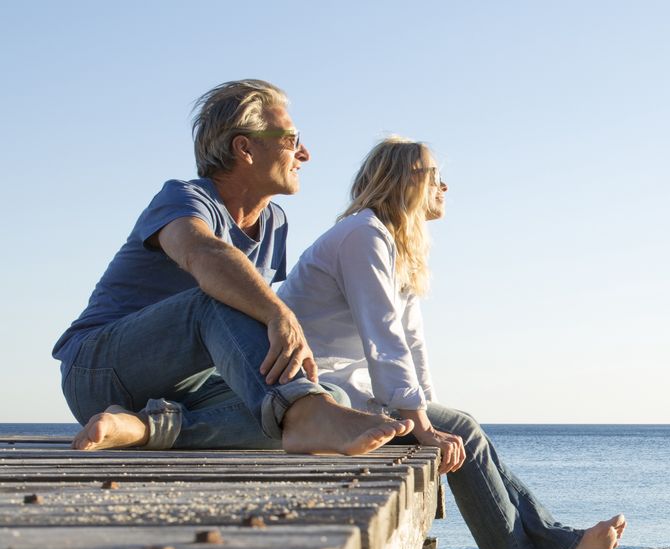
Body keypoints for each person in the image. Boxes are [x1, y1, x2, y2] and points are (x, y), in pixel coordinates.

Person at [277, 136, 625, 549]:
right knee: (459, 427)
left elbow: (413, 345)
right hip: (317, 393)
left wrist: (430, 419)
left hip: (350, 388)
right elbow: (385, 338)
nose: (444, 185)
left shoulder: (393, 243)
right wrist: (424, 425)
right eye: (433, 175)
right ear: (404, 181)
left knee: (458, 426)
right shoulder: (364, 236)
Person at [52, 80, 411, 454]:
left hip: (187, 386)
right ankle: (303, 415)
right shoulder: (182, 198)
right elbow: (203, 256)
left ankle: (145, 428)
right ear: (245, 148)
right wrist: (279, 314)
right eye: (291, 139)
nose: (304, 154)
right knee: (221, 296)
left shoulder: (274, 222)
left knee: (327, 395)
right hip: (97, 371)